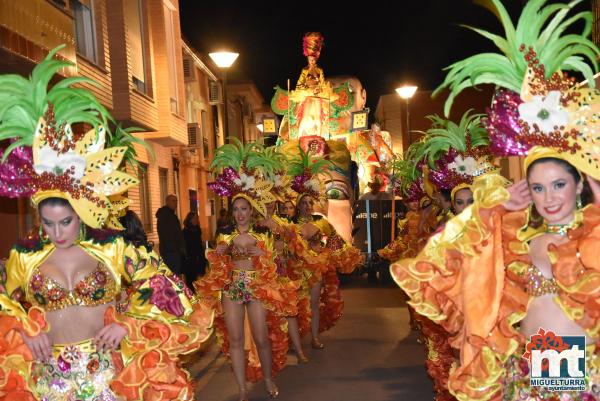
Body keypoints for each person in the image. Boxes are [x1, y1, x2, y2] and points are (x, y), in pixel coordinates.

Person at [393, 2, 600, 399]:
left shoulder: (588, 233)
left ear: (578, 184)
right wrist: (495, 210)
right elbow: (444, 262)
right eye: (538, 187)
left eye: (558, 184)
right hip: (536, 359)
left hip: (578, 363)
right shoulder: (517, 235)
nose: (548, 197)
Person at [0, 48, 213, 400]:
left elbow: (164, 288)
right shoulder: (25, 254)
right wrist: (23, 330)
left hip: (108, 375)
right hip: (49, 380)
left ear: (80, 213)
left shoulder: (113, 248)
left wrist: (126, 324)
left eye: (65, 222)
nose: (57, 233)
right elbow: (5, 300)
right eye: (48, 224)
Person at [194, 139, 297, 401]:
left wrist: (262, 254)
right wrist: (217, 256)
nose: (240, 213)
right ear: (232, 212)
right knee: (236, 340)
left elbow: (274, 265)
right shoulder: (224, 233)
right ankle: (240, 389)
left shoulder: (263, 232)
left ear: (252, 210)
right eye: (236, 209)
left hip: (256, 285)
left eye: (244, 208)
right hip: (232, 288)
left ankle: (268, 378)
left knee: (261, 338)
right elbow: (217, 268)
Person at [285, 141, 364, 349]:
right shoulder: (290, 225)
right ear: (298, 205)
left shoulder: (322, 223)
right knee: (295, 306)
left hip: (316, 269)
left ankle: (314, 337)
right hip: (295, 270)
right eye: (303, 203)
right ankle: (296, 339)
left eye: (310, 203)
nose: (307, 206)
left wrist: (351, 255)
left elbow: (338, 244)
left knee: (313, 305)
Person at [156, 194, 185, 275]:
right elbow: (165, 234)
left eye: (176, 201)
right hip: (170, 251)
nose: (176, 203)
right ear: (167, 202)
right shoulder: (165, 216)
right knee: (172, 276)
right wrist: (175, 246)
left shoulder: (171, 215)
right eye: (173, 201)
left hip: (173, 250)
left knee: (174, 275)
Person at [182, 212, 207, 289]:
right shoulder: (185, 231)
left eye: (197, 218)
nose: (196, 220)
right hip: (190, 259)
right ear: (189, 220)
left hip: (199, 257)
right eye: (194, 218)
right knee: (191, 281)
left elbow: (199, 244)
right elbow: (185, 246)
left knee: (200, 279)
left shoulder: (197, 230)